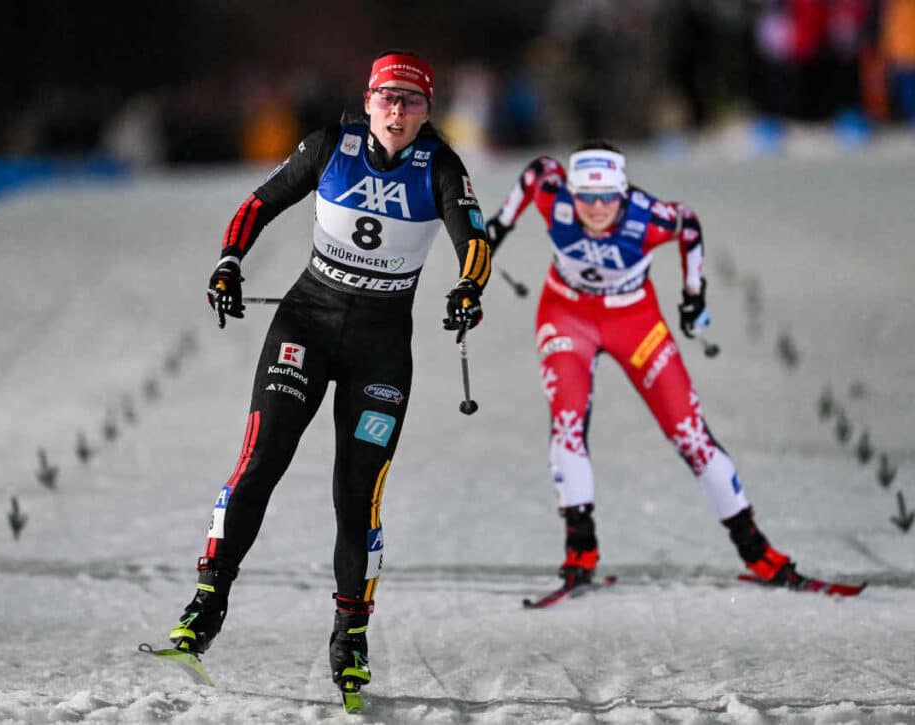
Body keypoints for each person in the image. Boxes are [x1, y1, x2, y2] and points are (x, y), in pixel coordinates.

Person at [166, 50, 491, 704]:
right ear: (368, 101)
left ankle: (350, 633)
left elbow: (474, 241)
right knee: (261, 460)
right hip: (305, 328)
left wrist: (467, 288)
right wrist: (229, 262)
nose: (398, 111)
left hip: (381, 350)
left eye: (413, 101)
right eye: (388, 99)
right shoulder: (330, 146)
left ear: (428, 111)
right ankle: (208, 598)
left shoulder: (440, 166)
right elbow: (258, 204)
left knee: (357, 494)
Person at [484, 142, 799, 592]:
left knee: (689, 433)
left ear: (624, 193)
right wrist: (497, 227)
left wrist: (694, 295)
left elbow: (688, 224)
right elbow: (537, 171)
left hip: (634, 321)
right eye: (585, 197)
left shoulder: (648, 217)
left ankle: (754, 548)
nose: (596, 208)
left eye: (607, 197)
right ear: (572, 193)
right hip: (566, 314)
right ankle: (580, 548)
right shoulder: (555, 197)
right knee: (567, 422)